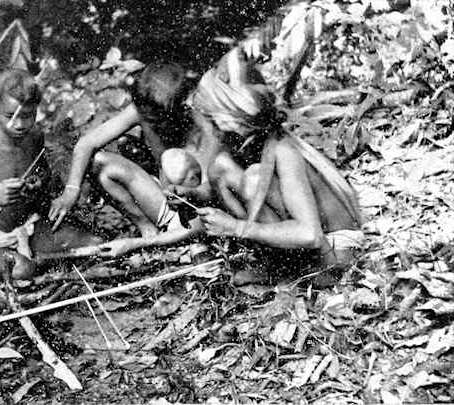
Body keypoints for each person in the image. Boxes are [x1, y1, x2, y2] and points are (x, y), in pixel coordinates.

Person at [191, 47, 364, 286]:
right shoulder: (254, 142)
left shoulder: (284, 150)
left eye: (212, 122)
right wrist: (191, 194)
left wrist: (236, 228)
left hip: (336, 256)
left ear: (230, 120)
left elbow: (310, 234)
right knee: (221, 168)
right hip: (321, 248)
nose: (210, 131)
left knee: (252, 180)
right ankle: (275, 266)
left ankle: (289, 273)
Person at [48, 62, 224, 257]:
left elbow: (210, 193)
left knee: (185, 181)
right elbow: (86, 144)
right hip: (162, 200)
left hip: (195, 216)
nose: (151, 125)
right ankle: (149, 231)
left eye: (157, 121)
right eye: (146, 119)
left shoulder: (206, 129)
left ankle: (159, 243)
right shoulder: (145, 109)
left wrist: (188, 194)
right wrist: (71, 190)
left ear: (180, 109)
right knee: (100, 163)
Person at [0, 69, 100, 265]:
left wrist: (38, 184)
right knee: (20, 270)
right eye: (10, 116)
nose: (20, 125)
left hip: (29, 229)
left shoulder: (34, 137)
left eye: (28, 115)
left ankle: (39, 258)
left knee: (95, 245)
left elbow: (42, 183)